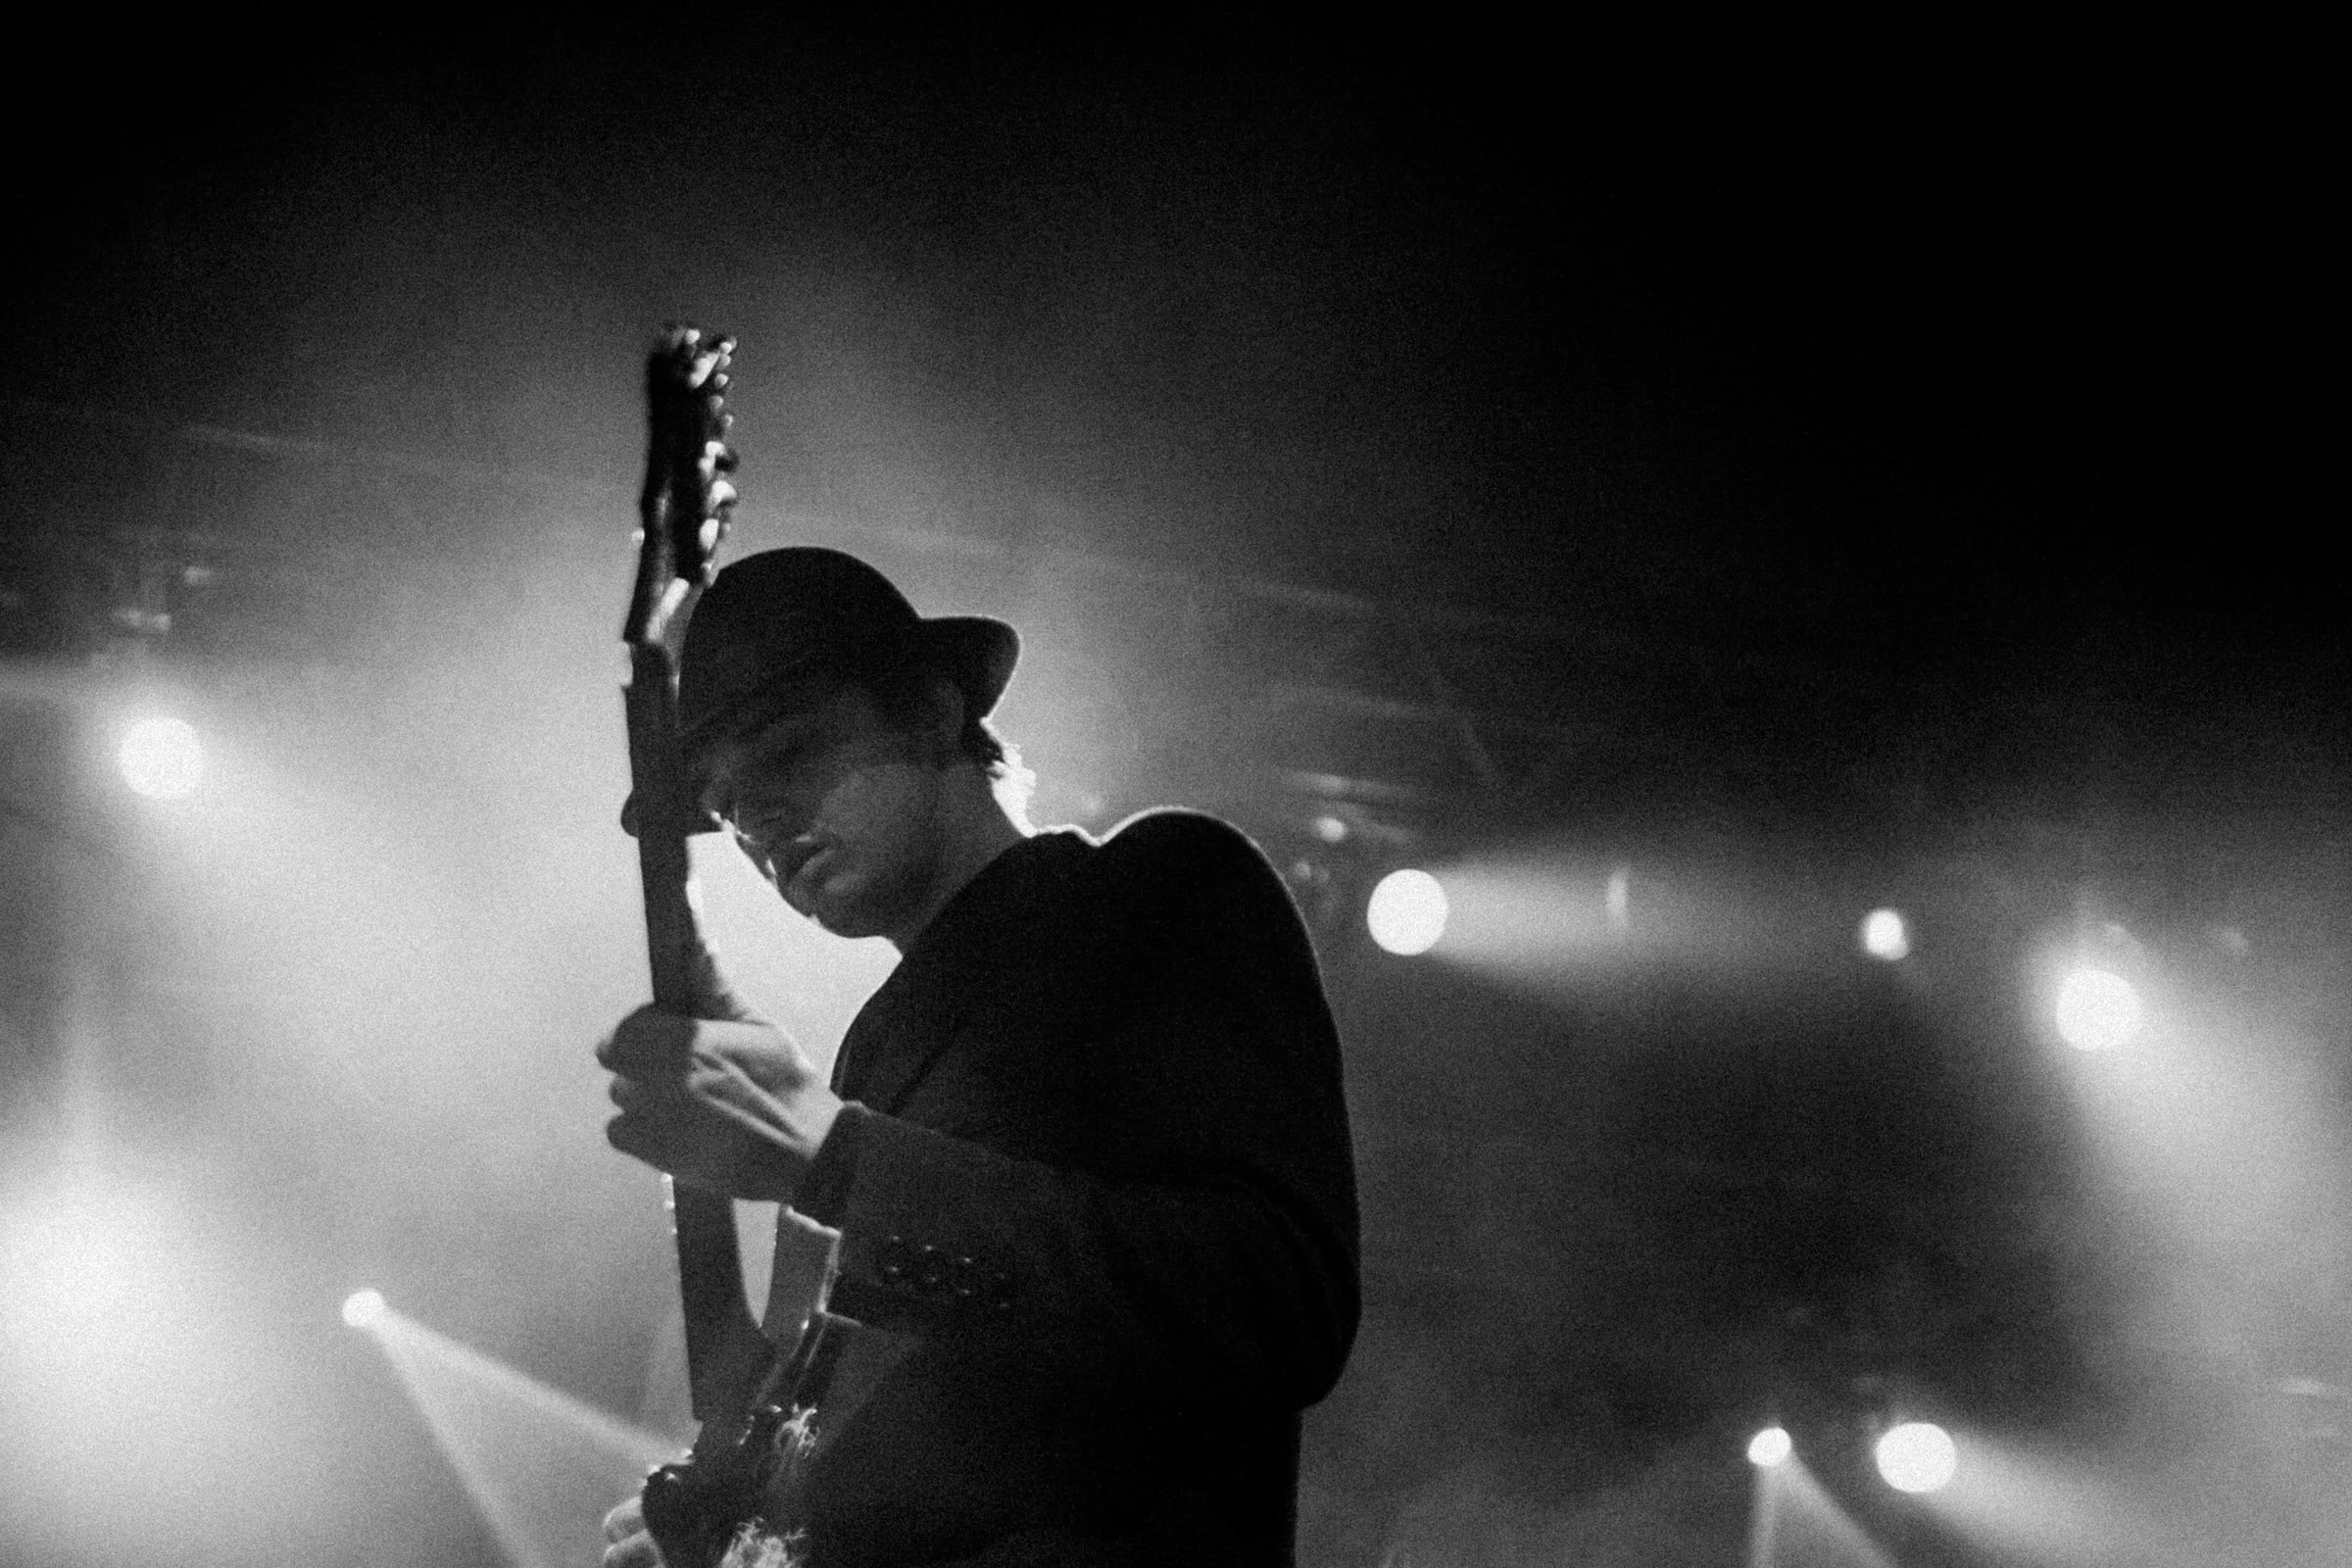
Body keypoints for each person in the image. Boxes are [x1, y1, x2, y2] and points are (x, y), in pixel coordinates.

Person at [596, 547, 1360, 1567]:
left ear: (931, 709)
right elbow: (861, 1457)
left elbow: (1277, 1304)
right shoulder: (874, 1060)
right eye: (728, 807)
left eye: (789, 752)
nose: (758, 823)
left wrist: (844, 1161)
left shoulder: (1153, 892)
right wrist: (729, 1536)